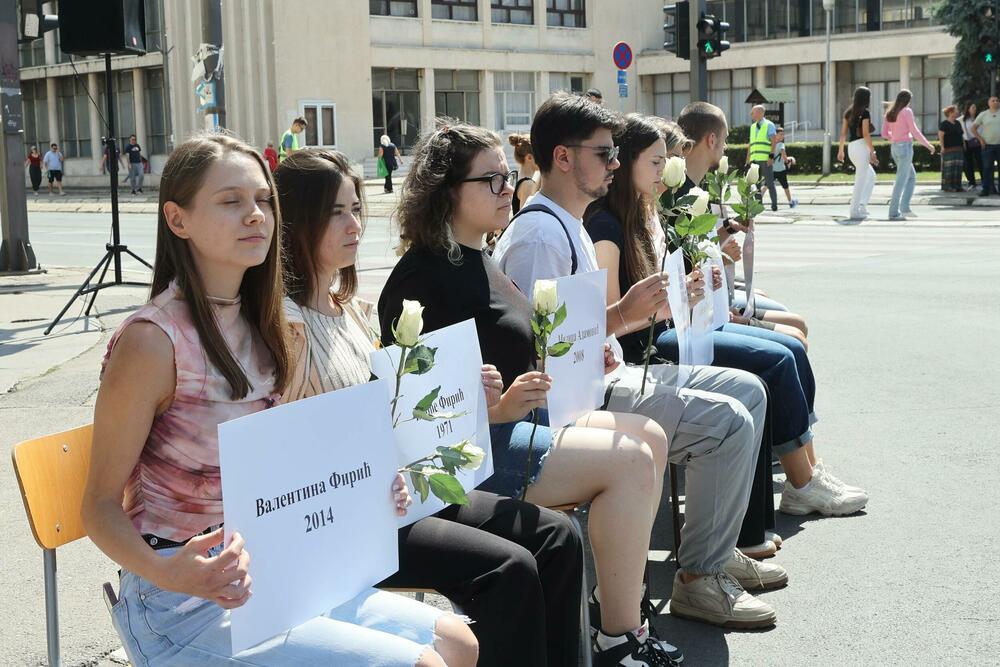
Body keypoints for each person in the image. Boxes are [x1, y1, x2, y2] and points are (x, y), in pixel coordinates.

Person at [81, 132, 478, 667]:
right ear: (178, 220)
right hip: (179, 600)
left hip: (277, 569)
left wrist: (376, 483)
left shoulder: (272, 325)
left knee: (457, 643)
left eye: (264, 201)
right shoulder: (153, 342)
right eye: (231, 202)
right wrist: (171, 572)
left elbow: (296, 466)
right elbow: (99, 507)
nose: (256, 216)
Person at [380, 122, 693, 665]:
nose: (510, 189)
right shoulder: (423, 280)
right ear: (446, 189)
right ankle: (620, 634)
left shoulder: (479, 254)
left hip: (512, 424)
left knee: (650, 436)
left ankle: (616, 604)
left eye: (509, 177)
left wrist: (594, 338)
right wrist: (496, 406)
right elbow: (416, 415)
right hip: (475, 455)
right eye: (493, 181)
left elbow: (528, 347)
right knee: (630, 462)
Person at [274, 147, 583, 667]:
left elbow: (396, 413)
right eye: (336, 212)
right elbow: (290, 446)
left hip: (401, 488)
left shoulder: (351, 309)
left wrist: (470, 401)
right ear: (297, 219)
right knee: (508, 570)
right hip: (343, 519)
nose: (353, 225)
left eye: (356, 209)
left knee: (558, 537)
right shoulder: (286, 324)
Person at [491, 93, 783, 633]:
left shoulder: (567, 222)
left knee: (750, 390)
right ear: (562, 157)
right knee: (727, 421)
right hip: (579, 404)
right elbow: (535, 352)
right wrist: (622, 317)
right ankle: (699, 576)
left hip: (599, 381)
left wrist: (625, 320)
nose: (615, 165)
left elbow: (568, 336)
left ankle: (711, 552)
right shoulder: (540, 235)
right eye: (604, 154)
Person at [582, 113, 786, 561]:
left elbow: (649, 299)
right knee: (767, 368)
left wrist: (691, 287)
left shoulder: (646, 214)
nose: (664, 173)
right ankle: (714, 558)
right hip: (638, 351)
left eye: (667, 163)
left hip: (659, 335)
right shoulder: (606, 225)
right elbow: (613, 318)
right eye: (656, 163)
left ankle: (730, 541)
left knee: (759, 380)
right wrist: (672, 299)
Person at [675, 102, 868, 518]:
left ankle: (808, 469)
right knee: (785, 351)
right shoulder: (671, 199)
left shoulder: (692, 192)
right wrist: (721, 258)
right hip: (700, 318)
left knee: (793, 345)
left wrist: (724, 240)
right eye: (655, 160)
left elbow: (698, 264)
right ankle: (801, 481)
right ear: (711, 140)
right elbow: (686, 277)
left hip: (711, 309)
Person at [882, 90, 936, 220]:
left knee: (911, 177)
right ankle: (894, 213)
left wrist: (894, 137)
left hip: (894, 148)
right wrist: (928, 145)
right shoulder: (907, 111)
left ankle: (905, 208)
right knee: (901, 181)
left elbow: (884, 134)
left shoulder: (890, 112)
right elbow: (914, 131)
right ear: (907, 101)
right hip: (905, 148)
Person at [838, 86, 877, 221]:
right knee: (860, 179)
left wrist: (841, 150)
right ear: (866, 98)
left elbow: (843, 133)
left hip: (851, 148)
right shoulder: (865, 113)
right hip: (861, 147)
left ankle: (861, 205)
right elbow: (866, 134)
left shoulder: (848, 113)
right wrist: (873, 151)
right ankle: (854, 211)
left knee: (871, 176)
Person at [747, 104, 778, 212]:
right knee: (756, 184)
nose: (751, 114)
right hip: (754, 160)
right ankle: (759, 206)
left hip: (765, 159)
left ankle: (774, 205)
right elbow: (751, 144)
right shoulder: (752, 127)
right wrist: (748, 159)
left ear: (760, 113)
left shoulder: (769, 125)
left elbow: (774, 141)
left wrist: (771, 156)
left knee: (770, 183)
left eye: (753, 112)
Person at [972, 96, 1000, 197]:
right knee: (987, 167)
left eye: (997, 100)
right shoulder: (983, 114)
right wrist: (980, 139)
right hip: (987, 145)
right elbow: (973, 128)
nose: (995, 102)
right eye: (993, 100)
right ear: (989, 103)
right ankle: (986, 189)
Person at [508, 132, 540, 214]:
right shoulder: (528, 185)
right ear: (529, 157)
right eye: (539, 155)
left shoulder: (516, 179)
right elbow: (526, 219)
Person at [939, 105, 966, 193]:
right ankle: (948, 187)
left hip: (959, 149)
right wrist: (942, 147)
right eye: (956, 110)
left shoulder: (958, 123)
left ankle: (958, 186)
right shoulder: (944, 124)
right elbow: (941, 136)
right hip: (948, 149)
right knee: (949, 169)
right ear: (950, 112)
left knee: (958, 168)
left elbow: (961, 135)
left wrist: (964, 145)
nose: (957, 112)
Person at [772, 127, 798, 208]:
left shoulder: (771, 144)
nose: (782, 136)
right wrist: (789, 160)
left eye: (783, 134)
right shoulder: (781, 144)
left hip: (772, 169)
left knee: (766, 185)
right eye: (780, 134)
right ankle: (791, 202)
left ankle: (758, 201)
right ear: (776, 135)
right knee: (785, 186)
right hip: (780, 170)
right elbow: (784, 156)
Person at [962, 103, 982, 191]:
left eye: (975, 107)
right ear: (968, 109)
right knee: (968, 164)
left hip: (979, 142)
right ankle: (972, 182)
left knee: (981, 162)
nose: (975, 109)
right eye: (973, 107)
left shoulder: (980, 118)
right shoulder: (963, 120)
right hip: (968, 143)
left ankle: (984, 181)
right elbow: (962, 133)